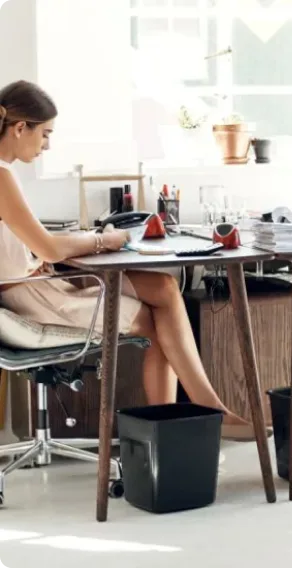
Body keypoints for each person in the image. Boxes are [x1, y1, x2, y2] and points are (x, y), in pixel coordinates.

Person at [0, 80, 259, 441]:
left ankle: (210, 410)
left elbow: (29, 246)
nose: (47, 144)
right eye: (45, 134)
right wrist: (103, 239)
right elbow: (49, 248)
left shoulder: (5, 174)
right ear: (19, 128)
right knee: (158, 327)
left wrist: (47, 253)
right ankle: (179, 428)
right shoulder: (1, 175)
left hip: (35, 283)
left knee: (165, 287)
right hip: (35, 297)